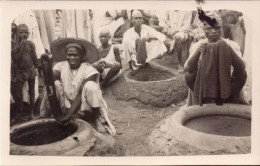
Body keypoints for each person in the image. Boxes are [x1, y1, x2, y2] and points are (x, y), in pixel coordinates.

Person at [39, 38, 116, 135]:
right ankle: (45, 113)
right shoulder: (61, 66)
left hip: (84, 104)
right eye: (69, 55)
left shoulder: (89, 70)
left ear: (82, 56)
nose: (72, 58)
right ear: (66, 55)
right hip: (67, 102)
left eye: (75, 55)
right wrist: (47, 66)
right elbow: (51, 78)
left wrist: (69, 116)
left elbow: (80, 93)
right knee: (54, 84)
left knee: (91, 86)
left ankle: (96, 119)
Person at [184, 11, 247, 106]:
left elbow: (241, 69)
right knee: (188, 74)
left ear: (221, 28)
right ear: (204, 30)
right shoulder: (198, 45)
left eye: (217, 28)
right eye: (209, 28)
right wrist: (198, 52)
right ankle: (206, 99)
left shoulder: (231, 45)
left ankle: (229, 99)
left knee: (242, 73)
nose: (213, 31)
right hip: (204, 87)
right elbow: (189, 69)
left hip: (227, 87)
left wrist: (228, 49)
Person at [11, 24, 38, 121]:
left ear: (29, 34)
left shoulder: (31, 44)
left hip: (30, 71)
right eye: (21, 32)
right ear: (17, 33)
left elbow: (34, 58)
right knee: (18, 95)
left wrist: (37, 66)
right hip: (19, 72)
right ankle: (18, 114)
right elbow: (15, 58)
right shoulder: (14, 44)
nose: (23, 35)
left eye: (26, 33)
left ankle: (31, 112)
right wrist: (21, 44)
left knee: (32, 92)